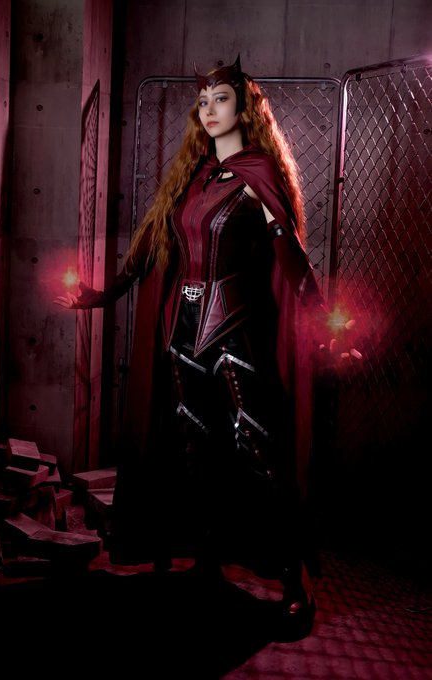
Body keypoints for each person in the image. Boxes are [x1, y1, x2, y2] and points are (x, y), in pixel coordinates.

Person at [55, 56, 359, 631]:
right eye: (203, 102)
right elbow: (150, 249)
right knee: (195, 452)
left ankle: (293, 581)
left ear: (245, 109)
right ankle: (206, 560)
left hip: (235, 332)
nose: (209, 109)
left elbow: (291, 257)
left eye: (221, 99)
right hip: (182, 334)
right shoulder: (192, 178)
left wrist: (326, 326)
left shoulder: (258, 173)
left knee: (258, 452)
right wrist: (102, 295)